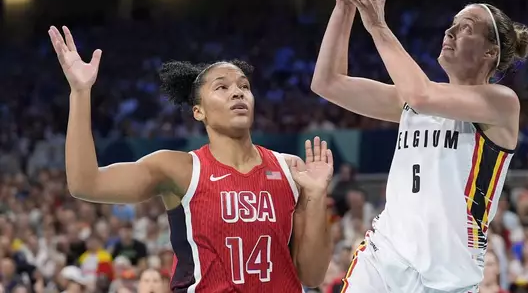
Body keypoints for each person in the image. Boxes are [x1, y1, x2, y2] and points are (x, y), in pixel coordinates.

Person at [48, 26, 334, 292]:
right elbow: (85, 184)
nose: (237, 92)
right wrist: (80, 92)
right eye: (222, 87)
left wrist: (317, 196)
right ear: (199, 111)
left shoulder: (288, 168)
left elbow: (312, 276)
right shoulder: (180, 169)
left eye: (244, 86)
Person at [311, 0, 528, 293]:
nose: (450, 31)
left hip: (448, 276)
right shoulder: (414, 100)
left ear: (490, 52)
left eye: (466, 28)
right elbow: (327, 82)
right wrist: (344, 6)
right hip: (384, 259)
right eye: (453, 24)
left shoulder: (500, 103)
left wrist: (376, 25)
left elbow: (422, 95)